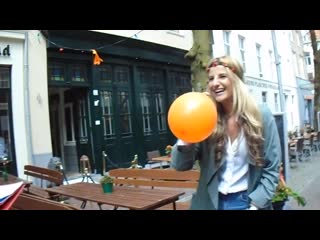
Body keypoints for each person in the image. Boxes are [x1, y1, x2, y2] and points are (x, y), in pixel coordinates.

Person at [171, 56, 281, 210]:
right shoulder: (206, 116)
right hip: (209, 203)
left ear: (237, 80)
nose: (215, 83)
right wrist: (186, 135)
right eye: (211, 78)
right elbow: (180, 165)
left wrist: (256, 206)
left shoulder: (261, 115)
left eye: (222, 76)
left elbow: (272, 168)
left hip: (248, 203)